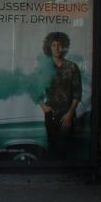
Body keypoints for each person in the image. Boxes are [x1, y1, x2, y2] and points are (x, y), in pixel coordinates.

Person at [38, 31, 81, 159]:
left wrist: (70, 113)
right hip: (50, 114)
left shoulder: (72, 67)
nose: (57, 48)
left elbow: (77, 93)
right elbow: (35, 89)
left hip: (67, 114)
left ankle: (64, 175)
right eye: (54, 45)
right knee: (52, 147)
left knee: (66, 148)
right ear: (49, 48)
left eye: (59, 45)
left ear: (64, 47)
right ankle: (54, 175)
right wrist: (43, 107)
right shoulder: (44, 68)